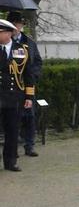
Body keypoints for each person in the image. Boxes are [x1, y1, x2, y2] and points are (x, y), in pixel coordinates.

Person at [0, 19, 34, 172]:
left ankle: (11, 161)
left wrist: (29, 97)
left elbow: (28, 74)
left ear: (8, 33)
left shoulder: (21, 49)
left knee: (12, 130)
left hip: (14, 96)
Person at [8, 11, 42, 157]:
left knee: (29, 116)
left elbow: (37, 62)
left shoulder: (29, 42)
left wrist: (33, 76)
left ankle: (29, 145)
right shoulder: (5, 42)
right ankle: (12, 149)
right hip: (10, 87)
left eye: (20, 24)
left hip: (27, 85)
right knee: (12, 118)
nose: (18, 27)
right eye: (15, 24)